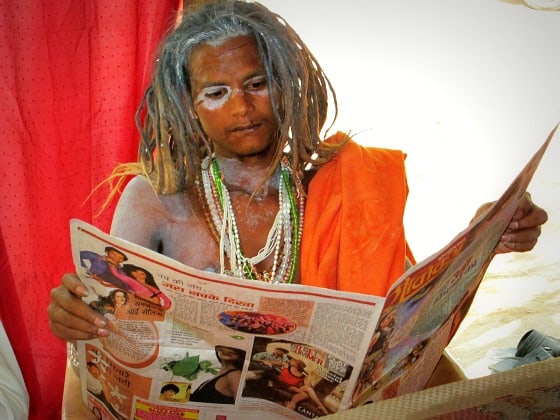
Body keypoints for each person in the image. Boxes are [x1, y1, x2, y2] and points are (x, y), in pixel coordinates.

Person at [47, 0, 548, 404]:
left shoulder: (336, 185)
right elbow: (105, 333)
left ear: (283, 87)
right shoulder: (156, 202)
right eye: (216, 92)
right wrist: (75, 317)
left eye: (256, 84)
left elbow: (396, 308)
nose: (242, 108)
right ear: (189, 106)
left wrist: (485, 235)